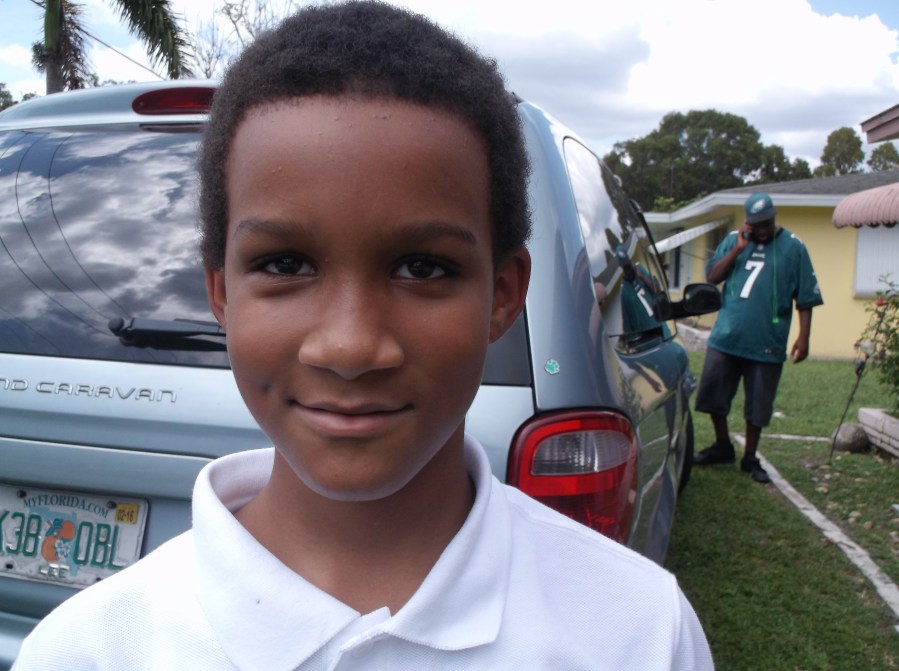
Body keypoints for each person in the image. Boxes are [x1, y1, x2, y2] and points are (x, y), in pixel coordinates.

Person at [14, 3, 713, 669]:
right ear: (221, 292)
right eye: (285, 265)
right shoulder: (87, 652)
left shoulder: (639, 632)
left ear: (503, 294)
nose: (348, 347)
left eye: (422, 268)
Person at [693, 192, 823, 483]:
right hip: (726, 337)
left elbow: (805, 298)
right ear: (747, 222)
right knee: (713, 393)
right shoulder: (733, 240)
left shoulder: (794, 247)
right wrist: (738, 249)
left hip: (767, 341)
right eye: (756, 225)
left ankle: (750, 456)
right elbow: (712, 277)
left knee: (758, 404)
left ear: (774, 217)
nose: (762, 230)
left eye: (766, 224)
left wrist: (804, 337)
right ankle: (722, 445)